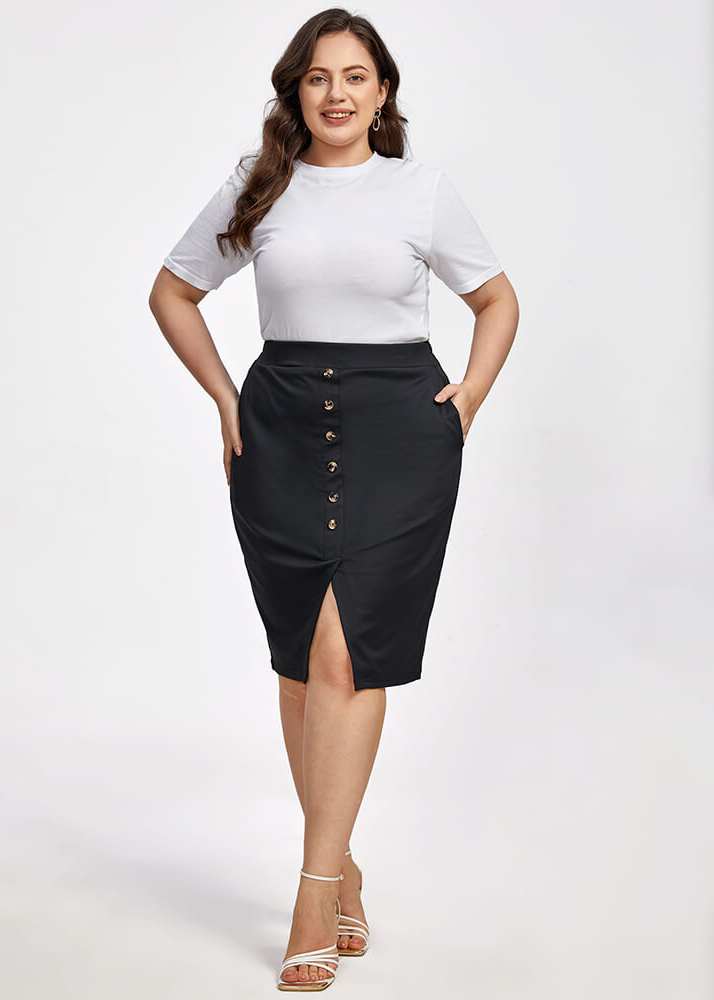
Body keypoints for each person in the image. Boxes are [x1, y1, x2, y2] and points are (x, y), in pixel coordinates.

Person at [149, 7, 519, 992]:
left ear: (383, 91)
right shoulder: (260, 184)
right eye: (318, 77)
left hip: (399, 437)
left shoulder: (421, 191)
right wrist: (225, 397)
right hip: (278, 431)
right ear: (296, 91)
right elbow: (173, 290)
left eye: (356, 76)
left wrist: (469, 398)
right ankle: (342, 858)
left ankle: (315, 889)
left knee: (347, 650)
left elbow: (497, 300)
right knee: (299, 665)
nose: (338, 93)